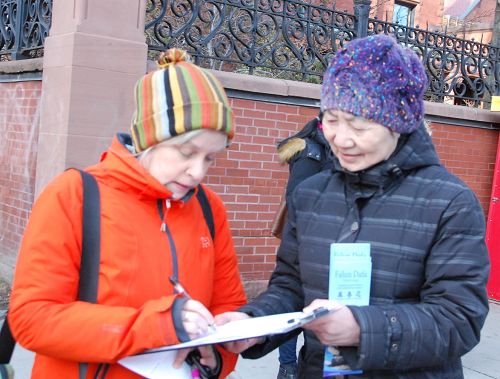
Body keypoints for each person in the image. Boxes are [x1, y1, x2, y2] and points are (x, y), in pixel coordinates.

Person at [217, 34, 490, 378]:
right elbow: (290, 286)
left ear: (400, 122)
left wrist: (363, 328)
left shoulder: (450, 202)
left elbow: (459, 319)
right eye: (331, 120)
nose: (341, 139)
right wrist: (253, 322)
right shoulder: (310, 195)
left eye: (359, 125)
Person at [8, 48, 247, 378]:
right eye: (186, 152)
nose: (197, 172)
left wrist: (219, 358)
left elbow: (227, 307)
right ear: (148, 139)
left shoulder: (208, 208)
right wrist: (157, 325)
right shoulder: (74, 195)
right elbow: (32, 319)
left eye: (210, 159)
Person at [274, 115, 333, 379]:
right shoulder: (310, 152)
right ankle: (287, 366)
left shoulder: (323, 149)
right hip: (307, 241)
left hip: (321, 239)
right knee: (296, 307)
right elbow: (298, 198)